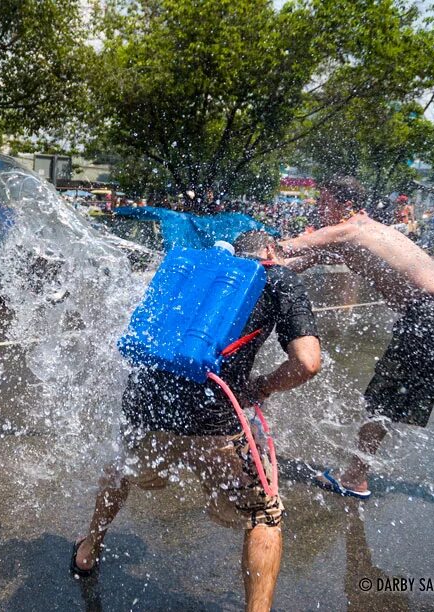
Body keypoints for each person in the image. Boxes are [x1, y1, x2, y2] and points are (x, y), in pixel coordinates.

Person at [71, 231, 321, 612]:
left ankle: (88, 550)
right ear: (269, 251)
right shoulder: (277, 278)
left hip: (145, 409)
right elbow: (307, 362)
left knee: (120, 469)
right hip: (215, 424)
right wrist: (260, 388)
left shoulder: (191, 272)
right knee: (263, 514)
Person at [280, 176, 434, 499]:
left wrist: (248, 254)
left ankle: (354, 477)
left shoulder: (352, 229)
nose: (317, 208)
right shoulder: (362, 234)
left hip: (429, 315)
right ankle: (354, 475)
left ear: (344, 204)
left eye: (322, 201)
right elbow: (299, 261)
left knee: (381, 401)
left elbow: (291, 247)